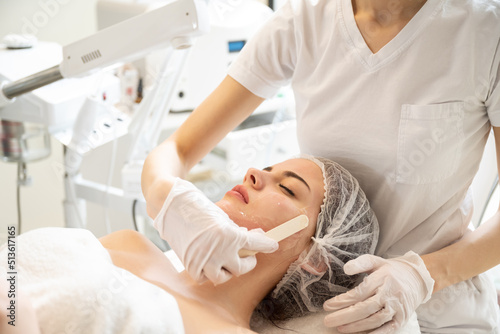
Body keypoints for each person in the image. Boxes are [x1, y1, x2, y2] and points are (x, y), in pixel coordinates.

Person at [141, 0, 500, 332]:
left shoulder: (484, 32)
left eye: (287, 186)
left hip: (437, 304)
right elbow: (179, 148)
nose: (253, 174)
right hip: (313, 305)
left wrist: (424, 275)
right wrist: (168, 197)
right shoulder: (304, 20)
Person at [0, 157, 378, 334]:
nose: (253, 173)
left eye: (287, 187)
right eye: (267, 168)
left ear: (315, 257)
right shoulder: (130, 244)